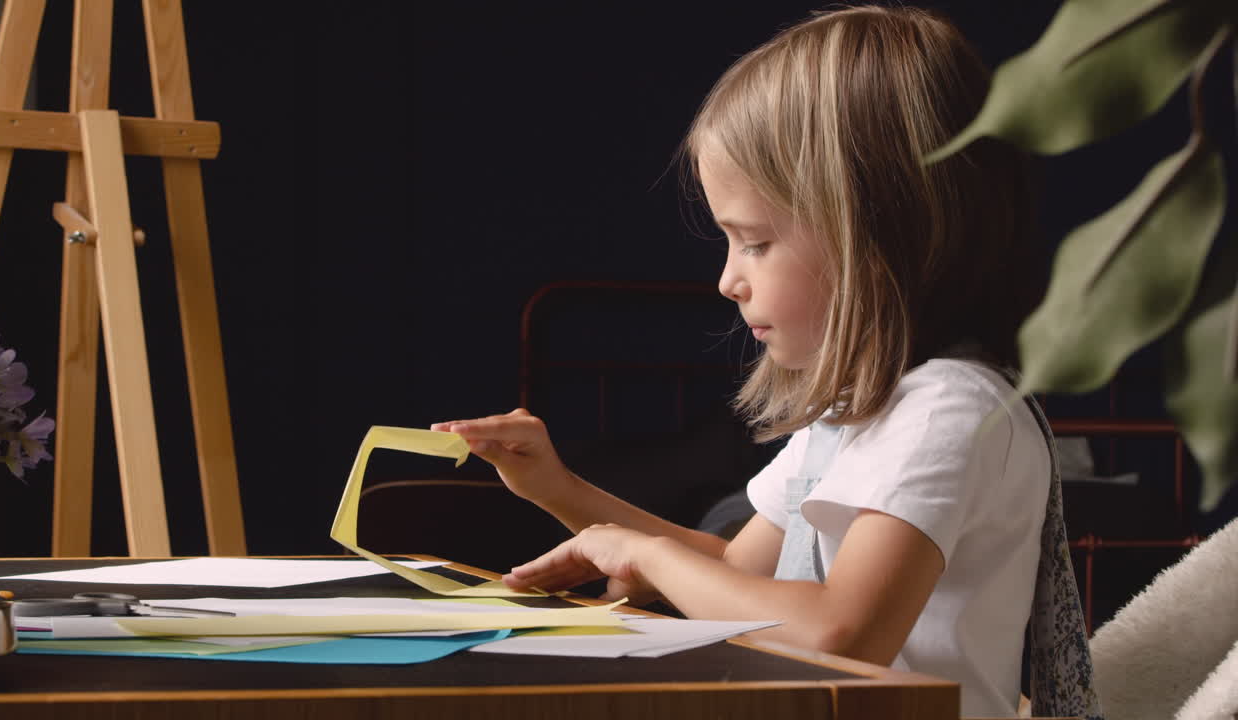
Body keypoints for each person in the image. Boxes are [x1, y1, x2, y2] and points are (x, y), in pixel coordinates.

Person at [434, 5, 1052, 716]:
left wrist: (647, 556)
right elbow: (733, 568)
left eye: (754, 242)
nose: (729, 280)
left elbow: (843, 636)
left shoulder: (947, 409)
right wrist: (558, 488)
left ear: (877, 234)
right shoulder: (858, 414)